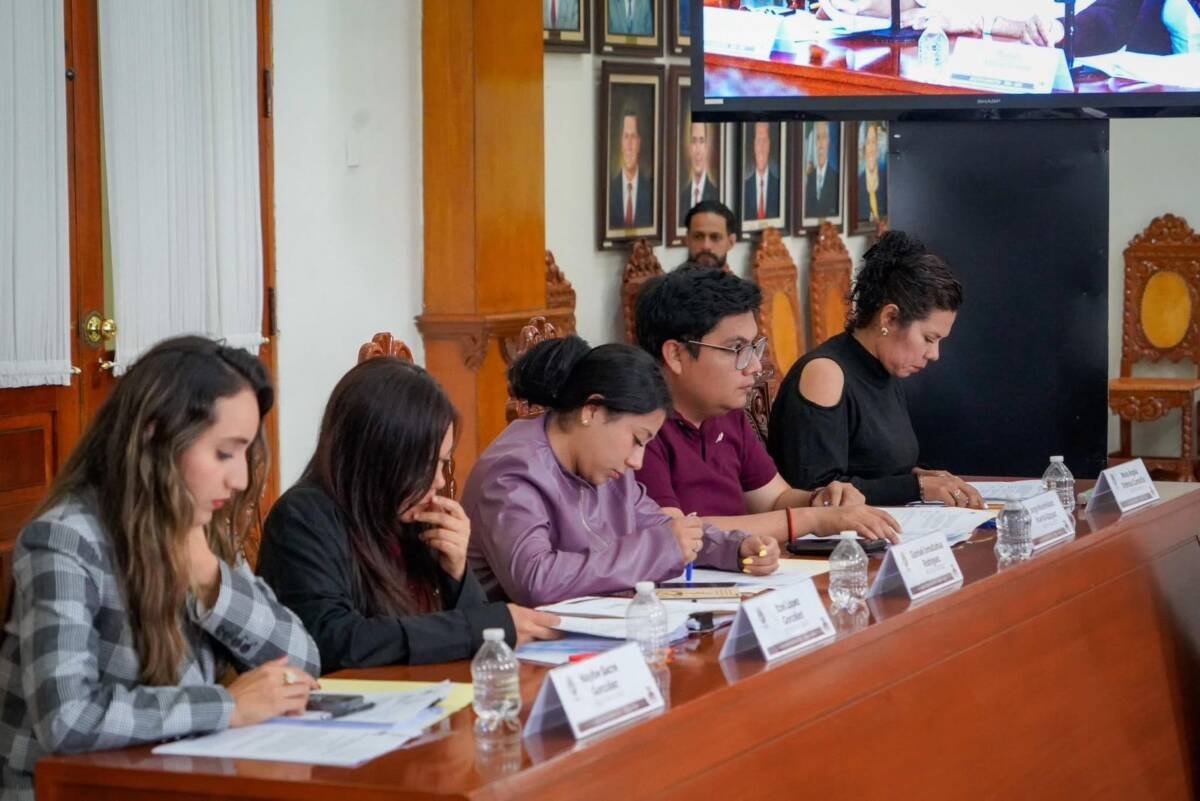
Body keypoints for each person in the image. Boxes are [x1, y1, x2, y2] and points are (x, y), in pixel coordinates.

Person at [0, 337, 320, 801]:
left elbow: (303, 663)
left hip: (172, 782)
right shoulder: (64, 539)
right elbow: (68, 719)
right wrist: (226, 706)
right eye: (224, 453)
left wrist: (211, 580)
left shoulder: (198, 528)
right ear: (155, 436)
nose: (241, 480)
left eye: (245, 453)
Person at [258, 358, 559, 671]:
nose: (439, 481)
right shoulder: (303, 518)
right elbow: (333, 641)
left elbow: (468, 641)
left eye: (443, 463)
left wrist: (456, 574)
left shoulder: (412, 518)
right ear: (381, 457)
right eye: (427, 464)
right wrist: (477, 629)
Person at [464, 336, 778, 607]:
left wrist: (733, 548)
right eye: (637, 440)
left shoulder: (605, 463)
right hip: (517, 647)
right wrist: (659, 548)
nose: (636, 461)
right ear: (592, 411)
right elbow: (536, 580)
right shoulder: (512, 472)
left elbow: (662, 526)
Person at [634, 267, 902, 544]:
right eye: (737, 349)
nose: (754, 366)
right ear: (676, 355)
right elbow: (673, 534)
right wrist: (812, 519)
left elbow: (773, 499)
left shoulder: (726, 414)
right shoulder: (640, 429)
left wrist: (822, 500)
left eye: (754, 348)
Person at [767, 232, 985, 508]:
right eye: (929, 339)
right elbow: (818, 491)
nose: (934, 354)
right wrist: (915, 487)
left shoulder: (885, 367)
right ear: (889, 318)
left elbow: (877, 469)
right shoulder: (825, 373)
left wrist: (921, 477)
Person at [608, 108, 654, 230]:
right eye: (626, 136)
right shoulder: (609, 190)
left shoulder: (651, 191)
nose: (629, 144)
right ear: (621, 142)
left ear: (639, 143)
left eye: (633, 136)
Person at [679, 122, 720, 222]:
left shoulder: (716, 195)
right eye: (694, 141)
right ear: (689, 147)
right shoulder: (681, 198)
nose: (698, 151)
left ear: (707, 147)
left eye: (701, 141)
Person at [742, 122, 781, 222]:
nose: (761, 148)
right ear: (754, 146)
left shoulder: (780, 187)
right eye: (759, 141)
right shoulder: (744, 189)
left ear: (769, 145)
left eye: (765, 140)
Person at [683, 200, 738, 270]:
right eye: (698, 237)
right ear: (687, 240)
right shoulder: (673, 277)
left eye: (715, 237)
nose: (706, 246)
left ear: (731, 242)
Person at [804, 121, 840, 220]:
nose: (820, 144)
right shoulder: (809, 178)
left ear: (829, 141)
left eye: (824, 137)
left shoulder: (836, 179)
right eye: (818, 138)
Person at [857, 121, 888, 224]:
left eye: (874, 142)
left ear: (878, 146)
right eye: (868, 143)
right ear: (863, 147)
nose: (871, 149)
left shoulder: (887, 179)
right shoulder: (857, 183)